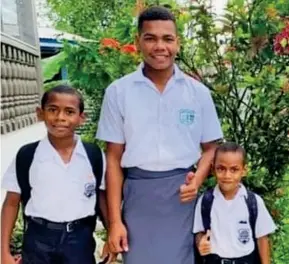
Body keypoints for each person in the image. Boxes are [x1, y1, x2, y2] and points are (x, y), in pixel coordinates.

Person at [96, 6, 223, 264]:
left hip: (183, 195)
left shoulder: (198, 94)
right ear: (137, 42)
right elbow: (112, 159)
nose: (159, 46)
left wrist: (197, 179)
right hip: (138, 197)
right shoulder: (119, 92)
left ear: (178, 42)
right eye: (150, 38)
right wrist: (115, 222)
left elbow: (211, 147)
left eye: (167, 38)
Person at [1, 85, 115, 264]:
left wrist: (111, 234)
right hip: (39, 239)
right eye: (53, 110)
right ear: (40, 113)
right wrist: (4, 252)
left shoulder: (92, 155)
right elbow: (11, 203)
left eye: (69, 112)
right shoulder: (28, 155)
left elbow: (101, 198)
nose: (60, 117)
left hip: (79, 239)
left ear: (81, 118)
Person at [194, 142, 276, 264]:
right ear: (213, 169)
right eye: (221, 168)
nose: (227, 175)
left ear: (244, 171)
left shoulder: (253, 202)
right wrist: (200, 242)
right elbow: (199, 232)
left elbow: (262, 239)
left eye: (234, 169)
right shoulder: (206, 201)